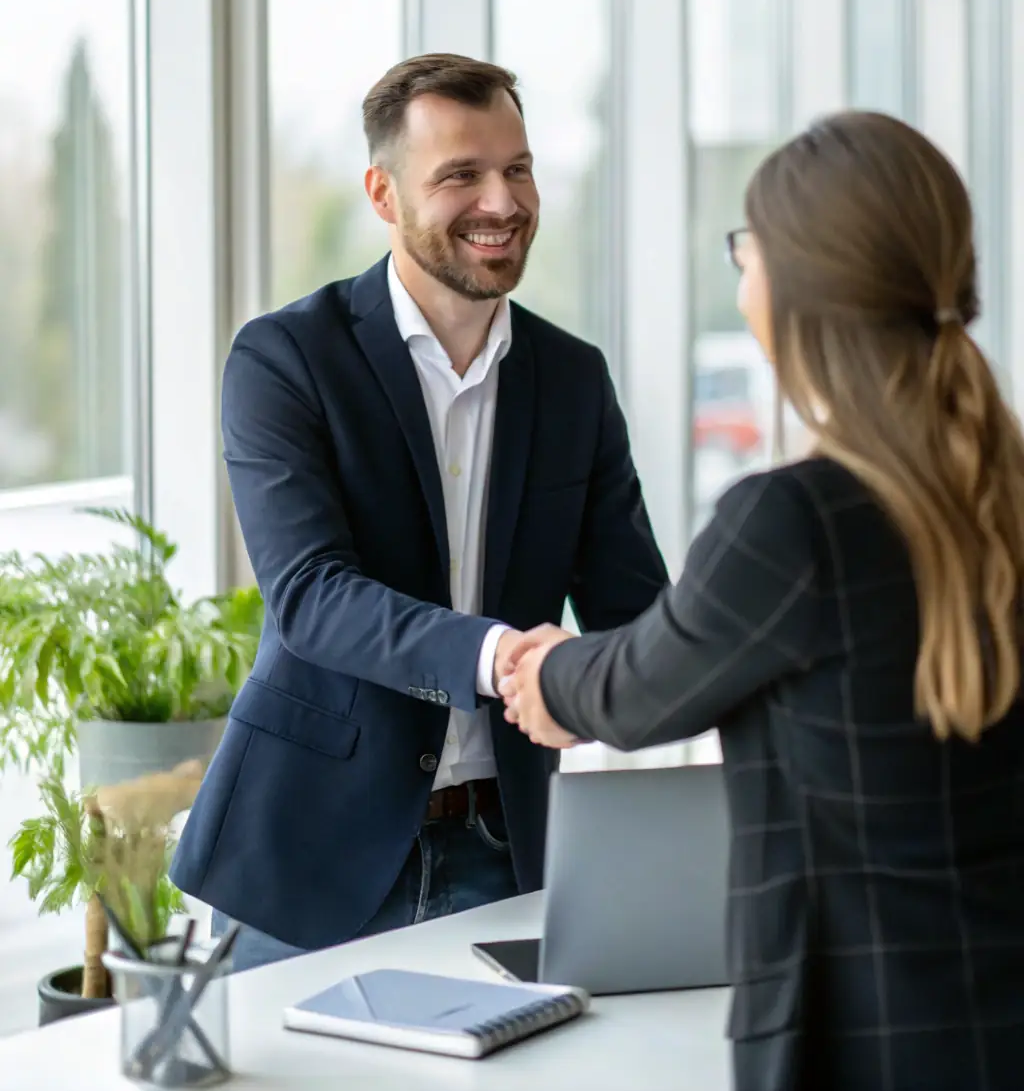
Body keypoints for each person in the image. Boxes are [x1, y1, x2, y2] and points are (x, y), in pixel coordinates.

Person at [501, 111, 1024, 1091]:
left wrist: (544, 672)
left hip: (866, 1045)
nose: (743, 279)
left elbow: (642, 686)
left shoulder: (797, 521)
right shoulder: (998, 490)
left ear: (797, 287)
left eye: (748, 252)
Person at [170, 53, 667, 972]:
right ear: (383, 192)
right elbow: (313, 596)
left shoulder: (573, 380)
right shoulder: (286, 360)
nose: (502, 200)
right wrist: (507, 657)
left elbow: (635, 612)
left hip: (507, 848)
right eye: (460, 175)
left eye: (517, 168)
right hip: (308, 853)